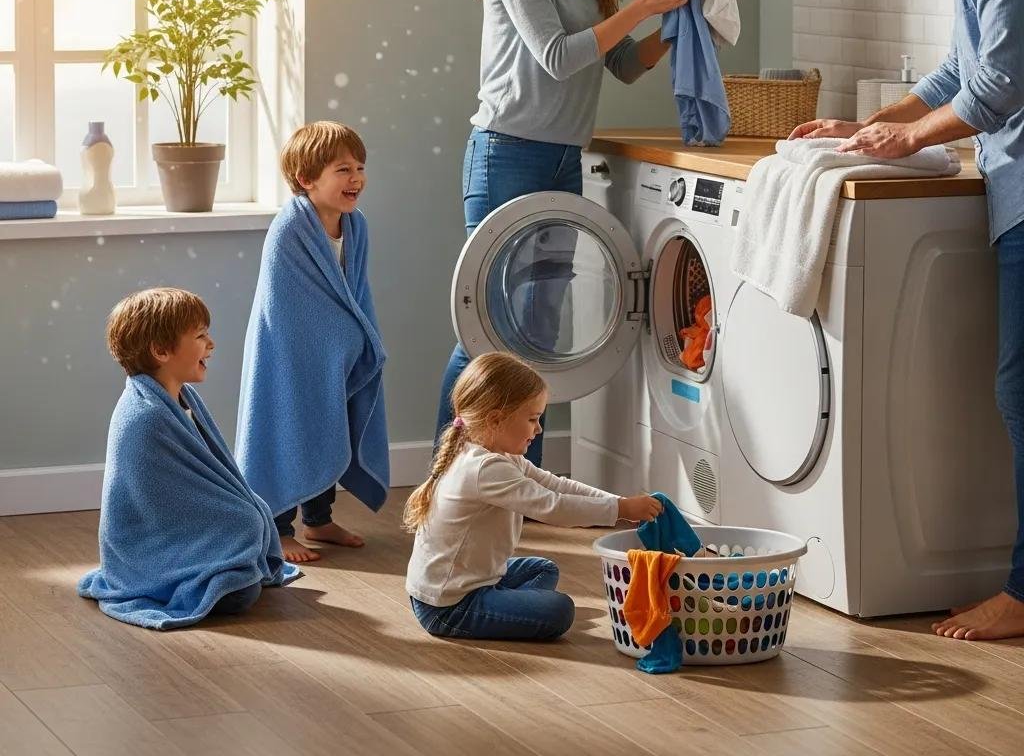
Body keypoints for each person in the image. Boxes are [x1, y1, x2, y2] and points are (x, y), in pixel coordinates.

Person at [791, 0, 1024, 641]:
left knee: (1019, 391)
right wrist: (860, 128)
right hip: (1011, 190)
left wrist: (908, 139)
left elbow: (1000, 83)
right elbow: (957, 72)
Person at [436, 0, 696, 464]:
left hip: (561, 158)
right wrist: (643, 4)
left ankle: (522, 478)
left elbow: (625, 65)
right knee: (488, 331)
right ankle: (449, 481)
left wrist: (679, 22)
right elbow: (556, 58)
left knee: (540, 331)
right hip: (506, 154)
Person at [78, 288, 298, 629]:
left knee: (251, 516)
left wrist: (245, 509)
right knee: (242, 586)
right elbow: (157, 504)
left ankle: (226, 561)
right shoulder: (145, 416)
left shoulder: (182, 397)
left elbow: (208, 477)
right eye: (200, 336)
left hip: (182, 534)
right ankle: (192, 577)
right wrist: (241, 515)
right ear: (161, 350)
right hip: (148, 549)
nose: (211, 344)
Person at [406, 351, 662, 640]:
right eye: (532, 419)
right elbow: (554, 506)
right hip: (449, 605)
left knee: (543, 569)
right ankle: (508, 611)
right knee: (560, 611)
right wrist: (620, 510)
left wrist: (620, 503)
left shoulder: (498, 454)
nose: (538, 429)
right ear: (496, 419)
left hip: (459, 584)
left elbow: (558, 486)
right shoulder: (484, 468)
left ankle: (508, 609)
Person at [236, 121, 388, 563]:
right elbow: (287, 306)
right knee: (290, 426)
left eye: (359, 167)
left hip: (335, 351)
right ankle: (278, 528)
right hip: (288, 352)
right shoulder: (290, 230)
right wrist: (337, 336)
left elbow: (354, 293)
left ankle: (318, 519)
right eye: (342, 169)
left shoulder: (355, 227)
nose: (355, 178)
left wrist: (360, 340)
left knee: (331, 422)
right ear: (307, 179)